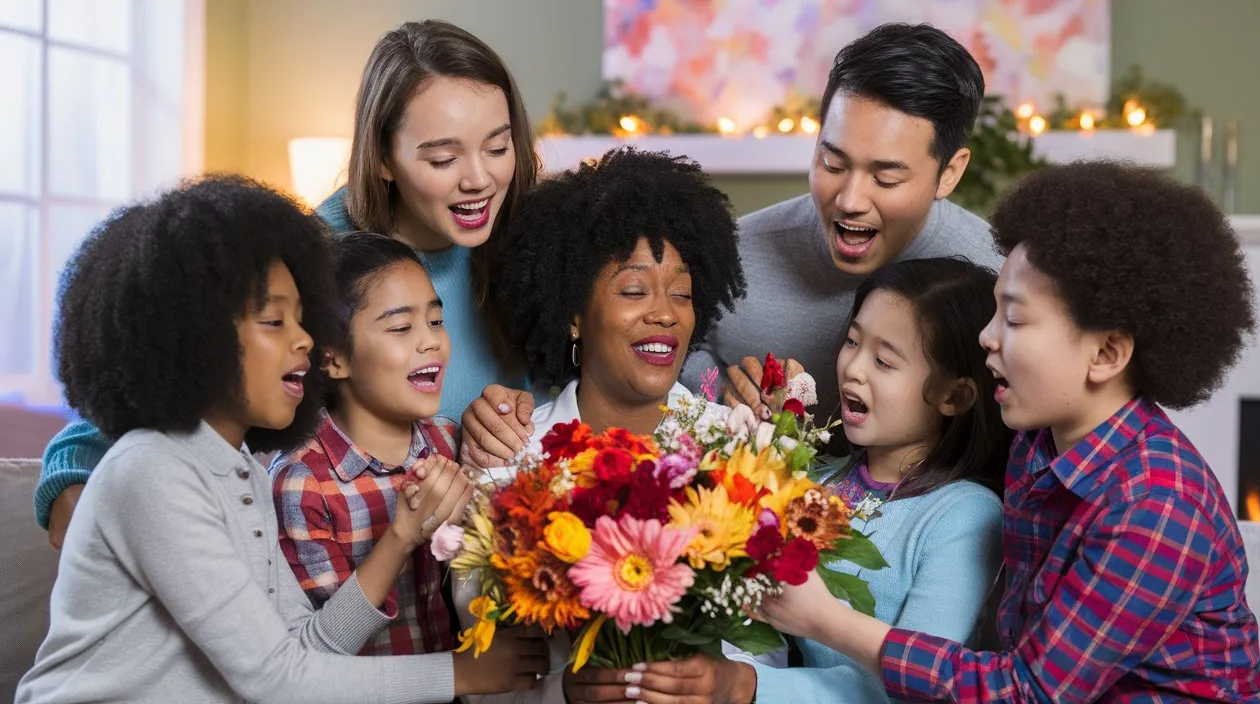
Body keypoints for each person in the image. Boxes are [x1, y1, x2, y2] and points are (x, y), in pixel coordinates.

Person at [752, 162, 1260, 702]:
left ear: (1105, 353)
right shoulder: (1036, 443)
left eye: (1015, 320)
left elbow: (1027, 692)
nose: (986, 337)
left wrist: (826, 620)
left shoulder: (1157, 508)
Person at [17, 176, 546, 703]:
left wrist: (404, 533)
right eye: (275, 321)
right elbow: (277, 680)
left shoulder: (243, 470)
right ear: (193, 338)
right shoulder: (153, 470)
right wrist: (462, 673)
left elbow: (309, 648)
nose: (304, 339)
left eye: (302, 316)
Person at [37, 18, 540, 549]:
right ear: (385, 157)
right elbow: (160, 378)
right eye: (443, 157)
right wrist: (74, 465)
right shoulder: (308, 254)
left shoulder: (531, 248)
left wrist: (514, 416)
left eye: (497, 147)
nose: (480, 179)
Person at [461, 22, 1001, 467]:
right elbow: (631, 385)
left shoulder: (998, 282)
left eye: (886, 177)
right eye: (832, 162)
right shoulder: (728, 260)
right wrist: (730, 406)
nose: (850, 199)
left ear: (949, 172)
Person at [571, 258, 1009, 703]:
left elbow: (923, 685)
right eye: (852, 341)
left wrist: (747, 686)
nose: (854, 368)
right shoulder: (802, 477)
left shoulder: (964, 515)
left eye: (883, 361)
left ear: (954, 396)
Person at [455, 147, 746, 703]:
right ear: (571, 314)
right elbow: (481, 662)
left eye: (682, 294)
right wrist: (563, 692)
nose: (665, 312)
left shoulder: (732, 446)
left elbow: (768, 640)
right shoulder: (511, 460)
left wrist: (721, 679)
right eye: (634, 291)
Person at [269, 232, 546, 674]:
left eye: (436, 321)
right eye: (401, 327)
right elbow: (319, 658)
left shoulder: (449, 442)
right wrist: (403, 535)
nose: (431, 341)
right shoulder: (304, 483)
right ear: (333, 358)